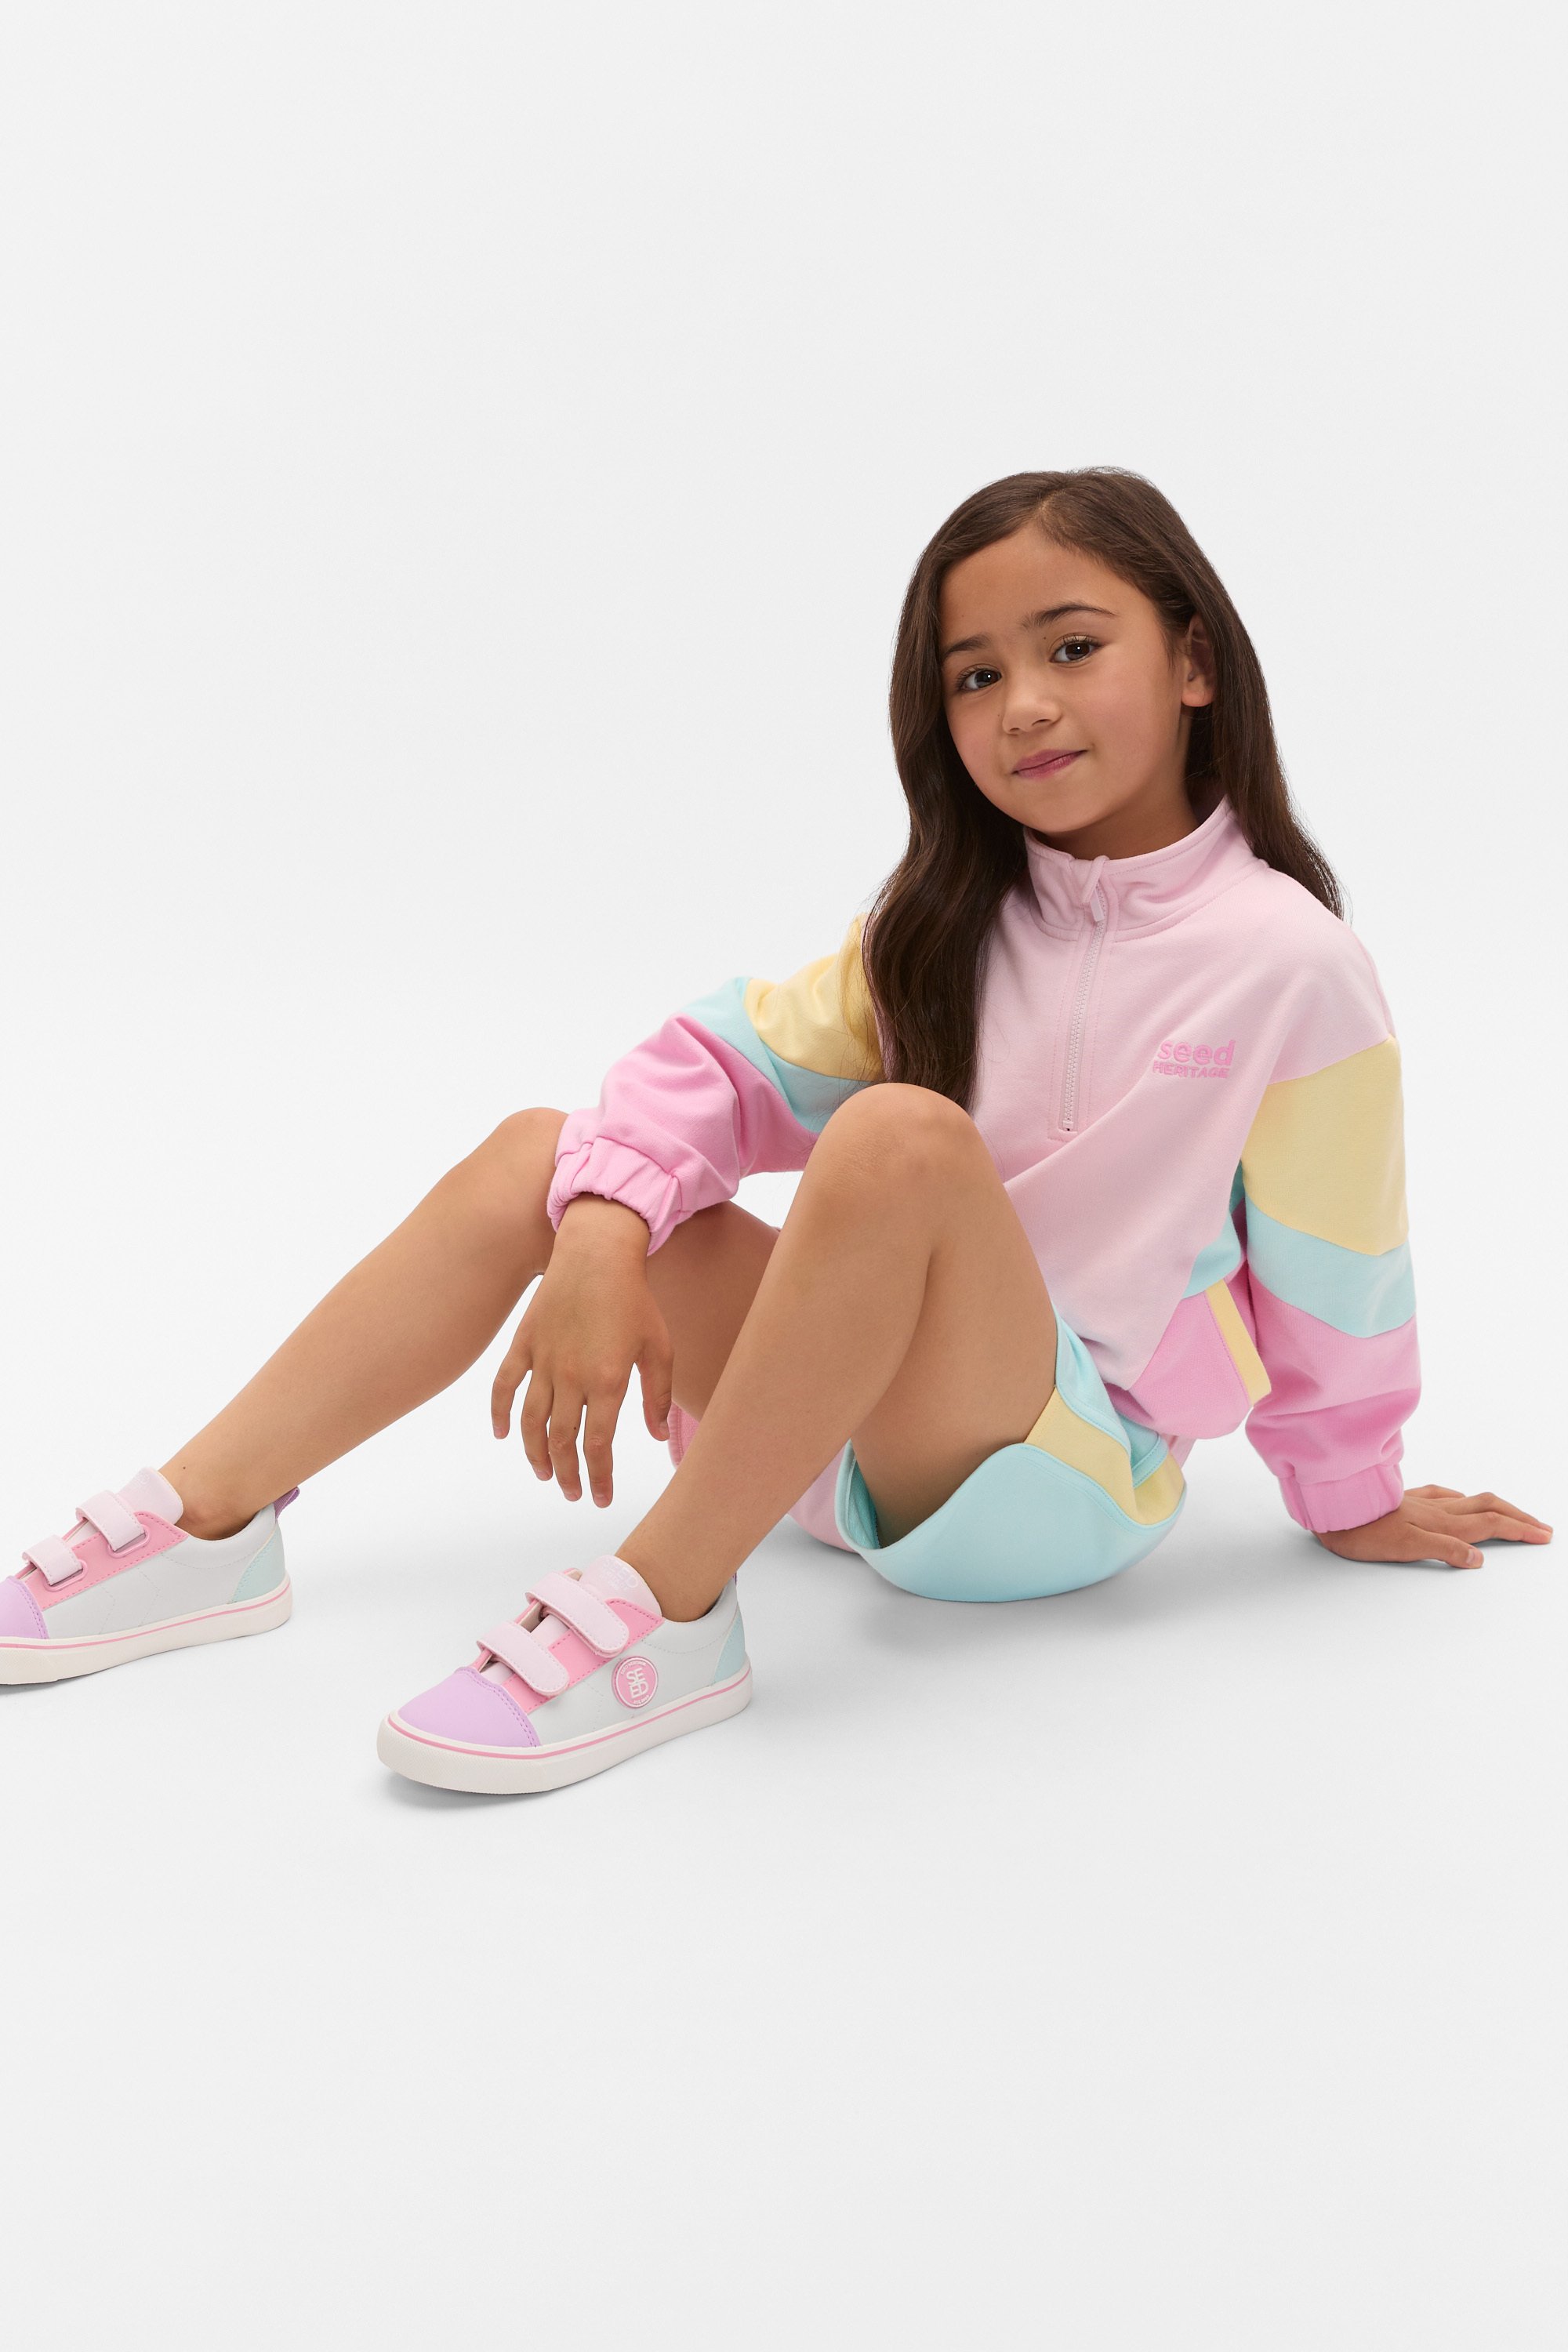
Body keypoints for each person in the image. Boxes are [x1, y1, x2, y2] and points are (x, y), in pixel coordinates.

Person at [5, 469, 1551, 1793]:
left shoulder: (1290, 965)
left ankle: (670, 1612)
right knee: (545, 1153)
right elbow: (714, 1066)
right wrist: (601, 1238)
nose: (1021, 704)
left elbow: (1340, 1261)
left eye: (1073, 648)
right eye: (972, 677)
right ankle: (204, 1529)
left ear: (1195, 660)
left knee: (895, 1140)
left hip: (1056, 1480)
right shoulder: (945, 923)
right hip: (829, 1449)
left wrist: (1349, 1491)